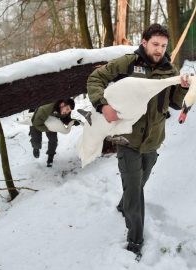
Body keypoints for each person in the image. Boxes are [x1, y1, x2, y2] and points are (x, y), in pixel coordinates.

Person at [87, 24, 189, 259]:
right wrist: (103, 105)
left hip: (153, 142)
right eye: (155, 44)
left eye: (163, 46)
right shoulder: (129, 63)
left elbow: (174, 103)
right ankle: (135, 239)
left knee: (139, 183)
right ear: (144, 42)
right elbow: (96, 78)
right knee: (136, 190)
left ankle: (124, 204)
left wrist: (182, 88)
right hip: (128, 140)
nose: (159, 50)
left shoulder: (168, 69)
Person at [30, 98, 80, 167]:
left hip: (50, 121)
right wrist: (48, 129)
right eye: (67, 109)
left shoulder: (65, 110)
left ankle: (50, 158)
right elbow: (37, 123)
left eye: (69, 111)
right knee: (36, 135)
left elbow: (65, 119)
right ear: (62, 104)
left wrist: (72, 122)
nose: (68, 112)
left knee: (53, 140)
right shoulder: (46, 108)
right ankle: (36, 147)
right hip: (37, 119)